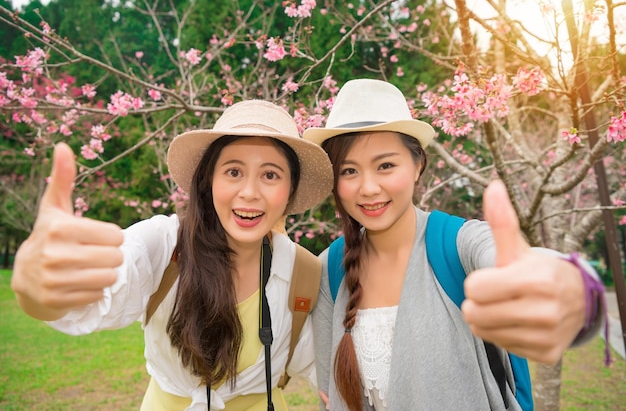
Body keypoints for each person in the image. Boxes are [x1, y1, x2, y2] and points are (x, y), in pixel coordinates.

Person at [303, 79, 607, 411]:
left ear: (418, 164)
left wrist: (568, 288)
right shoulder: (329, 269)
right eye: (349, 171)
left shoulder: (457, 244)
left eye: (386, 165)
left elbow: (518, 262)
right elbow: (330, 394)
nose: (369, 188)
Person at [11, 100, 334, 411]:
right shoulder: (164, 245)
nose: (249, 192)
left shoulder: (302, 272)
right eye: (233, 172)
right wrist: (35, 289)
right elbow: (95, 293)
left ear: (290, 192)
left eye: (270, 175)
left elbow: (322, 367)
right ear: (208, 181)